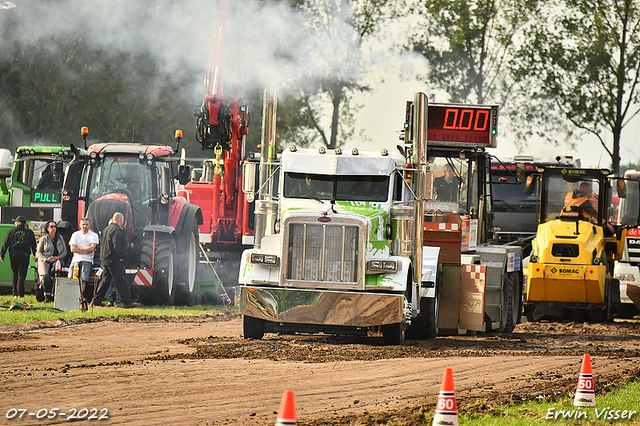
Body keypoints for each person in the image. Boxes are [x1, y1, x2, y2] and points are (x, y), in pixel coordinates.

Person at [91, 212, 136, 309]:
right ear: (120, 219)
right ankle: (127, 302)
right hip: (115, 259)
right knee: (121, 280)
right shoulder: (118, 230)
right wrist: (121, 256)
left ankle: (96, 300)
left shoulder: (105, 229)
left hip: (105, 258)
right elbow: (117, 245)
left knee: (105, 280)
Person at [1, 216, 37, 298]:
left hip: (13, 254)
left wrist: (2, 254)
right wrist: (34, 253)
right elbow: (33, 244)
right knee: (22, 274)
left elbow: (6, 243)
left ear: (19, 223)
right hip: (24, 255)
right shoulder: (29, 232)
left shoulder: (11, 231)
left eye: (16, 221)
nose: (15, 223)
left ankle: (14, 293)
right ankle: (20, 293)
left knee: (15, 273)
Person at [36, 220, 67, 303]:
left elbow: (65, 252)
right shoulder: (44, 239)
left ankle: (53, 289)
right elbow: (39, 252)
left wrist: (58, 257)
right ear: (47, 228)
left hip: (57, 260)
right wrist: (46, 259)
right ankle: (47, 295)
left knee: (55, 271)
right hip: (45, 260)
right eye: (51, 227)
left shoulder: (60, 238)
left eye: (55, 226)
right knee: (46, 276)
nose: (54, 228)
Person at [68, 217, 99, 303]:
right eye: (83, 224)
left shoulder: (94, 235)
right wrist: (85, 248)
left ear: (89, 225)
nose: (84, 226)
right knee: (71, 278)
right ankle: (71, 297)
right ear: (80, 225)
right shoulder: (75, 235)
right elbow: (72, 249)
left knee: (83, 279)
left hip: (87, 260)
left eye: (86, 224)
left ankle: (79, 296)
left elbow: (91, 249)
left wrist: (79, 248)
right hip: (75, 260)